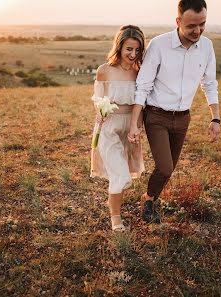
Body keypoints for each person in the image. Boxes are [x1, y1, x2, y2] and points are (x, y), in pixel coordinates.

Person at [128, 0, 220, 223]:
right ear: (178, 22)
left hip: (183, 118)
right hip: (157, 116)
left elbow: (209, 84)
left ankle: (151, 198)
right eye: (191, 26)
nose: (197, 30)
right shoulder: (159, 45)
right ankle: (148, 199)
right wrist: (134, 123)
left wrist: (215, 117)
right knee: (165, 167)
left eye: (202, 24)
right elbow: (143, 85)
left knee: (169, 168)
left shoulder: (207, 47)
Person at [90, 25, 146, 232]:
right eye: (129, 49)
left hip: (130, 128)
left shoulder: (140, 72)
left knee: (121, 173)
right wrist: (99, 111)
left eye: (137, 50)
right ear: (120, 47)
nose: (133, 54)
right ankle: (116, 218)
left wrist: (137, 128)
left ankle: (116, 214)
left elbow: (141, 103)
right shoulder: (104, 71)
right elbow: (99, 98)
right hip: (109, 127)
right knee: (120, 175)